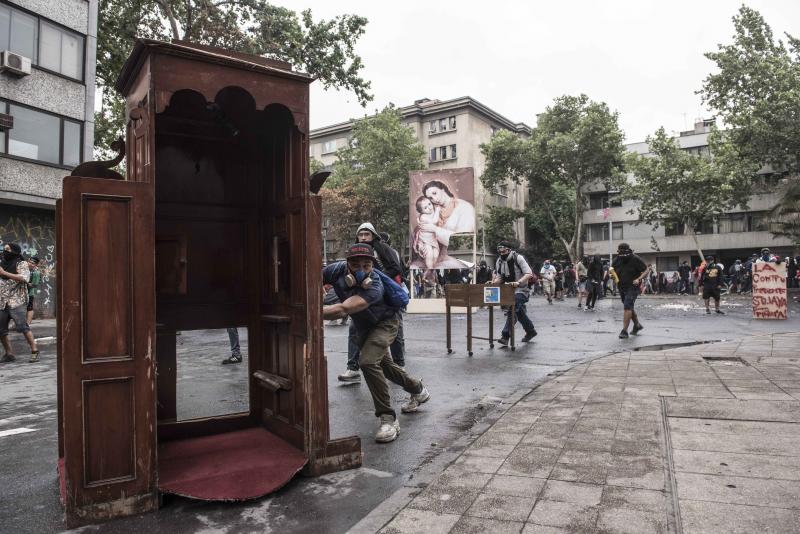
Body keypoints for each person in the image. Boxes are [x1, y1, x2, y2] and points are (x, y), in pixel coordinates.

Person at [322, 243, 429, 443]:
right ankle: (418, 389)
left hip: (386, 323)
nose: (361, 270)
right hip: (363, 327)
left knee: (368, 362)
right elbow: (311, 278)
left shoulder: (376, 285)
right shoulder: (335, 270)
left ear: (373, 265)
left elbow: (344, 309)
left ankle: (388, 419)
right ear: (347, 264)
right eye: (356, 265)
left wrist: (309, 312)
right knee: (385, 367)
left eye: (366, 265)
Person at [340, 223, 406, 383]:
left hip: (386, 296)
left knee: (395, 328)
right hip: (364, 295)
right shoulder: (355, 252)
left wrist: (377, 278)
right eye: (360, 234)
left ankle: (399, 365)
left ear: (373, 235)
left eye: (366, 234)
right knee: (354, 327)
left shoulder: (382, 249)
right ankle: (353, 367)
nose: (363, 237)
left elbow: (396, 268)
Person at [0, 243, 39, 363]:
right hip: (2, 301)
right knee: (1, 330)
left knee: (22, 327)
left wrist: (4, 273)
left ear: (15, 251)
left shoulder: (21, 263)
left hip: (17, 301)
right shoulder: (2, 263)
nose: (5, 251)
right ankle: (9, 353)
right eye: (4, 249)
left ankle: (34, 350)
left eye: (8, 249)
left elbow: (24, 278)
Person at [493, 241, 537, 345]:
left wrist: (518, 282)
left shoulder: (518, 258)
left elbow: (529, 273)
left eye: (502, 249)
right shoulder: (499, 261)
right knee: (519, 313)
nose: (500, 252)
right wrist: (493, 283)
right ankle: (531, 331)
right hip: (508, 291)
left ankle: (505, 335)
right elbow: (500, 277)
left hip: (522, 290)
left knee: (513, 307)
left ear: (509, 249)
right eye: (499, 249)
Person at [611, 243, 649, 339]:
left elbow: (646, 270)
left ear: (629, 251)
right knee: (629, 307)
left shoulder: (635, 258)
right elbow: (612, 271)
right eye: (620, 253)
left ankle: (624, 331)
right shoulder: (616, 260)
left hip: (633, 286)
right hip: (621, 286)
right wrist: (611, 276)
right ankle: (637, 325)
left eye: (624, 253)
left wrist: (639, 279)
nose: (622, 256)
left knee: (627, 306)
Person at [412, 196, 441, 269]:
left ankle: (432, 268)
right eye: (425, 207)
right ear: (421, 211)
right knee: (429, 254)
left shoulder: (431, 212)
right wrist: (437, 210)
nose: (429, 207)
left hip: (433, 239)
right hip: (425, 240)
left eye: (429, 204)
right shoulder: (423, 217)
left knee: (436, 254)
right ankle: (430, 268)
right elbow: (434, 221)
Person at [25, 256, 41, 325]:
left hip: (30, 293)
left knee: (29, 308)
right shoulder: (25, 270)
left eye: (32, 263)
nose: (30, 264)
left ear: (36, 265)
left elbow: (34, 285)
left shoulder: (36, 273)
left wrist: (25, 283)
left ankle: (28, 324)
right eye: (29, 262)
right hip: (23, 293)